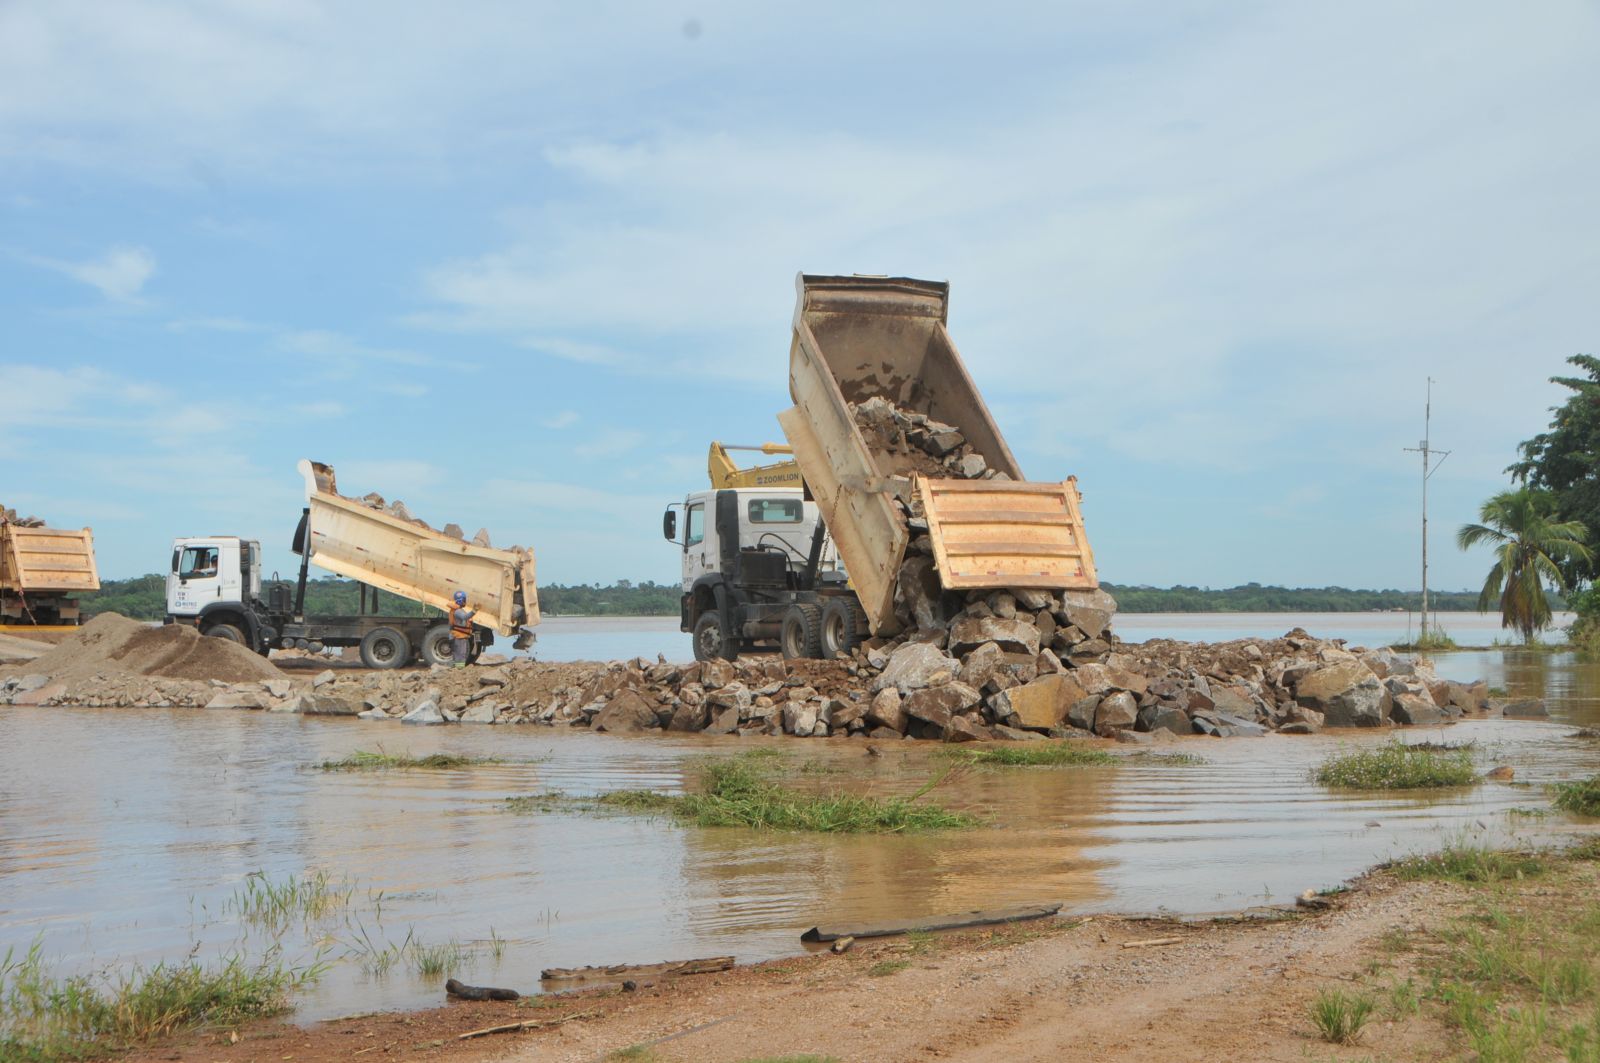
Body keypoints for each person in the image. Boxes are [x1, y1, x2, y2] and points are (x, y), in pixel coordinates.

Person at [448, 590, 476, 667]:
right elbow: (465, 617)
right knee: (461, 653)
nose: (465, 601)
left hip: (457, 635)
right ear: (460, 601)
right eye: (464, 600)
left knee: (458, 653)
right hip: (459, 636)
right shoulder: (457, 611)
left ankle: (457, 668)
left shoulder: (457, 610)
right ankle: (459, 668)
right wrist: (474, 611)